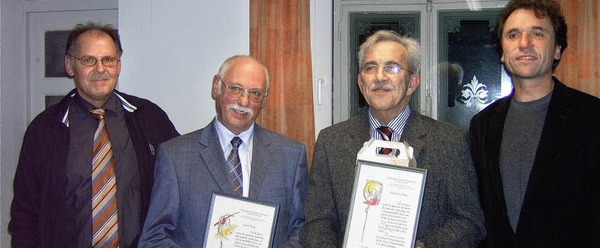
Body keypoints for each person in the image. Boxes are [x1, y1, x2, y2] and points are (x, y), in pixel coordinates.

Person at [469, 0, 600, 247]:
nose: (524, 43)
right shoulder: (482, 125)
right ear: (503, 52)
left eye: (538, 33)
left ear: (557, 49)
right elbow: (480, 214)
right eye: (513, 34)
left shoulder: (596, 117)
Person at [302, 30, 486, 247]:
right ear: (361, 83)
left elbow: (469, 221)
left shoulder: (450, 142)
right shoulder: (331, 141)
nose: (380, 77)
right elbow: (316, 222)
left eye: (392, 67)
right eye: (371, 68)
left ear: (412, 83)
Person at [8, 22, 180, 247]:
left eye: (108, 59)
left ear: (118, 65)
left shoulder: (149, 119)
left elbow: (181, 180)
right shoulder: (44, 130)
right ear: (70, 66)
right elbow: (25, 214)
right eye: (88, 60)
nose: (100, 68)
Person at [138, 55, 308, 247]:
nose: (244, 101)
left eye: (255, 93)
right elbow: (154, 237)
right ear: (216, 86)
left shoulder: (290, 155)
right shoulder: (175, 156)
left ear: (264, 101)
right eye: (236, 89)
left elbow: (304, 228)